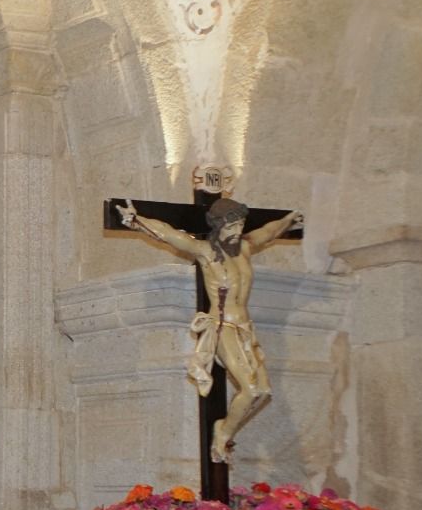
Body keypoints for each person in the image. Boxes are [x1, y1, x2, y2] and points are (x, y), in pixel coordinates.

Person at [115, 196, 302, 463]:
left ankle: (227, 429)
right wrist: (136, 220)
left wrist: (287, 220)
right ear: (217, 227)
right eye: (230, 227)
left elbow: (267, 233)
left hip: (245, 328)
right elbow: (168, 235)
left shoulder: (245, 248)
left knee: (264, 392)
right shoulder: (206, 252)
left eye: (239, 225)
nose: (236, 232)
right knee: (249, 390)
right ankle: (223, 432)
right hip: (223, 326)